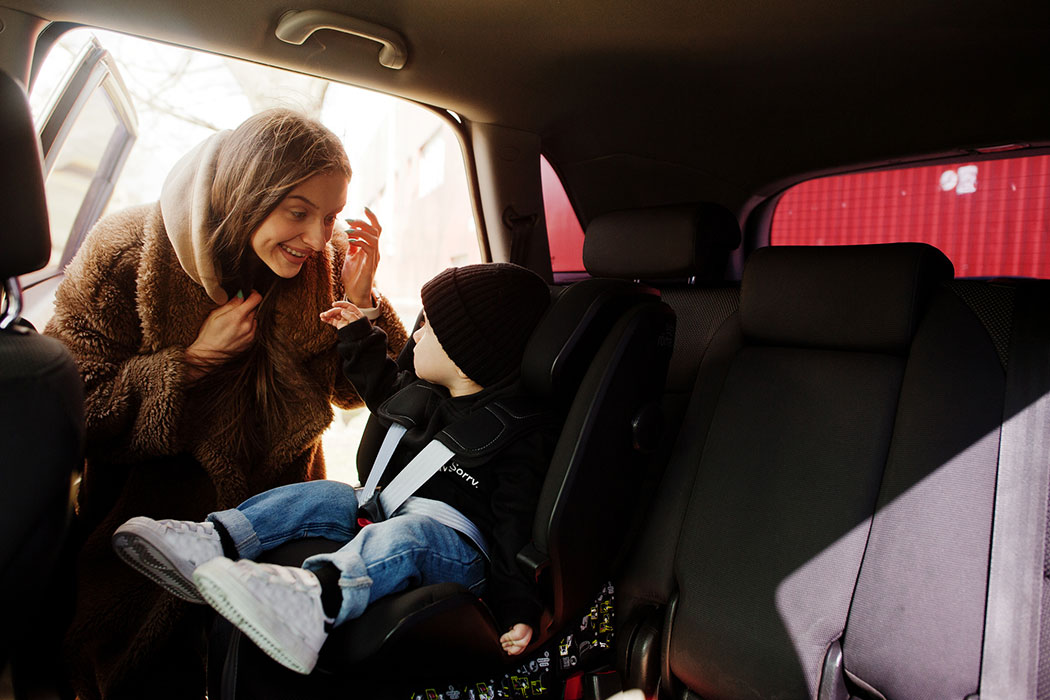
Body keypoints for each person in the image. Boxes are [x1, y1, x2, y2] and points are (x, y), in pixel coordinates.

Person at [44, 109, 408, 700]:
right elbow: (72, 410)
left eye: (331, 215)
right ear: (245, 195)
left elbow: (362, 393)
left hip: (275, 530)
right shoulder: (128, 254)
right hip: (145, 534)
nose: (318, 238)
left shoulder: (329, 263)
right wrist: (188, 365)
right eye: (298, 212)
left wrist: (361, 307)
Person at [111, 262, 555, 674]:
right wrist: (359, 332)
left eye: (428, 329)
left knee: (408, 536)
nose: (416, 336)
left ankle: (312, 601)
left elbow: (514, 527)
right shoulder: (422, 390)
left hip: (452, 551)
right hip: (382, 508)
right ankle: (215, 541)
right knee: (325, 493)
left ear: (466, 353)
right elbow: (380, 384)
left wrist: (517, 608)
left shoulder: (514, 433)